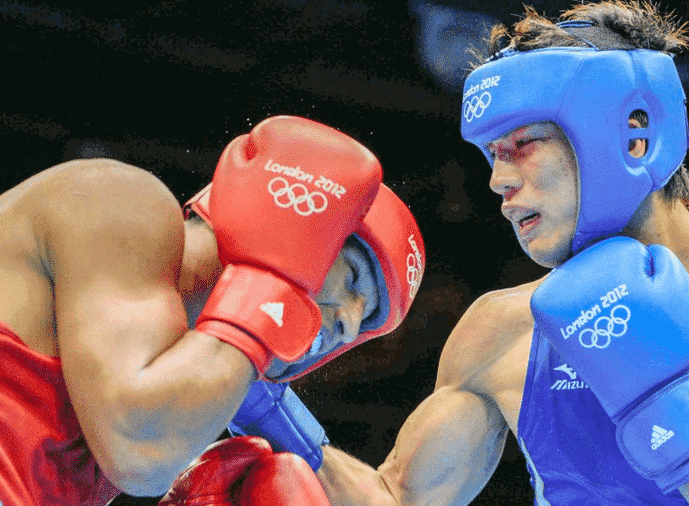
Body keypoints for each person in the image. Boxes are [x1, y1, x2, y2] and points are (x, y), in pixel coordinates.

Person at [220, 2, 689, 505]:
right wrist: (251, 389)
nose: (498, 182)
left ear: (632, 137)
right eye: (491, 155)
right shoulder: (501, 328)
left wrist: (662, 407)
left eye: (524, 144)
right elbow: (396, 497)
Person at [0, 114, 425, 506]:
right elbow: (141, 454)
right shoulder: (118, 200)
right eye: (352, 278)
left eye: (366, 316)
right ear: (292, 219)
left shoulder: (189, 379)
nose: (350, 325)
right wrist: (269, 282)